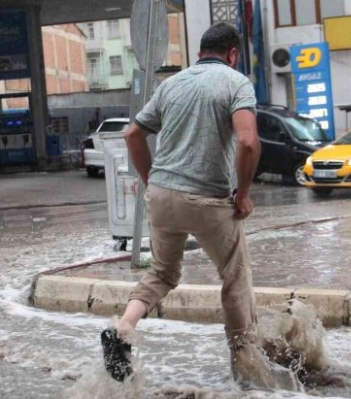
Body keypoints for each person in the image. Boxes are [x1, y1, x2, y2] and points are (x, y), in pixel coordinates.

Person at [99, 22, 299, 390]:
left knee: (161, 274)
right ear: (233, 54)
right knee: (235, 277)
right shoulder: (235, 83)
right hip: (207, 200)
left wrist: (151, 181)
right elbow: (249, 142)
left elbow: (132, 134)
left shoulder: (172, 84)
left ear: (199, 53)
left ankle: (123, 328)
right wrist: (242, 194)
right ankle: (246, 369)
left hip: (161, 194)